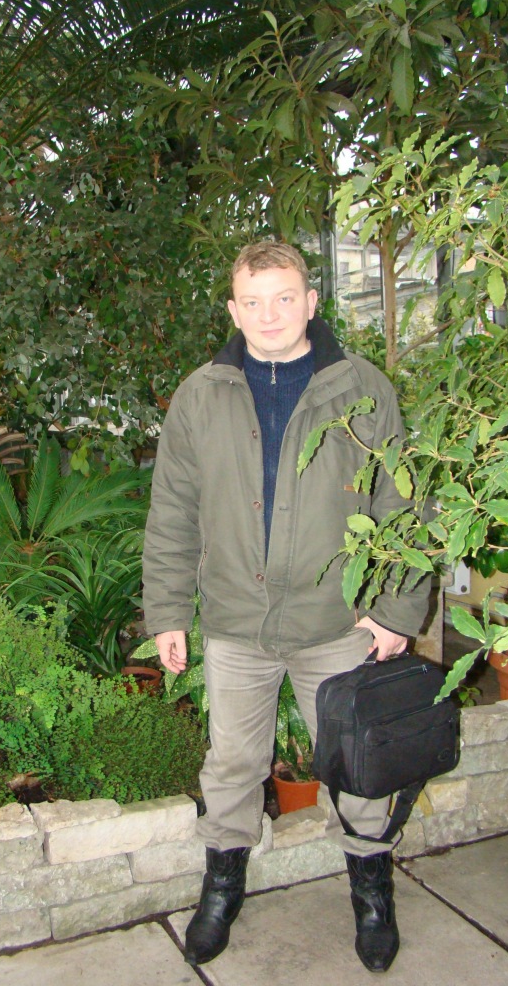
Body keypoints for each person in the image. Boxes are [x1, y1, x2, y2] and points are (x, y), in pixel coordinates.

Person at [142, 241, 429, 973]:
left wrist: (397, 612)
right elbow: (172, 512)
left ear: (311, 301)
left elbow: (401, 506)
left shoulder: (361, 388)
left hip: (338, 622)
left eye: (283, 298)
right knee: (232, 763)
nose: (269, 315)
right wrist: (168, 612)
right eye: (253, 301)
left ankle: (371, 890)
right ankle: (222, 888)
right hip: (237, 622)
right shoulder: (200, 396)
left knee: (358, 767)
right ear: (233, 310)